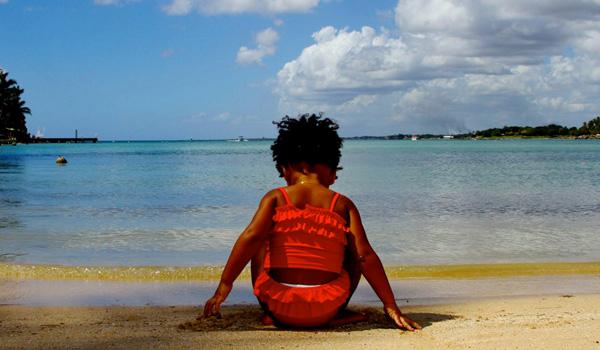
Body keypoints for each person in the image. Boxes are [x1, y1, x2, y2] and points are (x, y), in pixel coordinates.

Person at [203, 114, 421, 331]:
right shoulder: (343, 204)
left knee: (259, 239)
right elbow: (366, 256)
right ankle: (338, 313)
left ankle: (271, 315)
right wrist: (390, 305)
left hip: (278, 306)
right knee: (354, 250)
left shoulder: (275, 198)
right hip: (326, 308)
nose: (335, 179)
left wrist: (225, 284)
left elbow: (250, 237)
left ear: (288, 166)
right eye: (335, 171)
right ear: (326, 166)